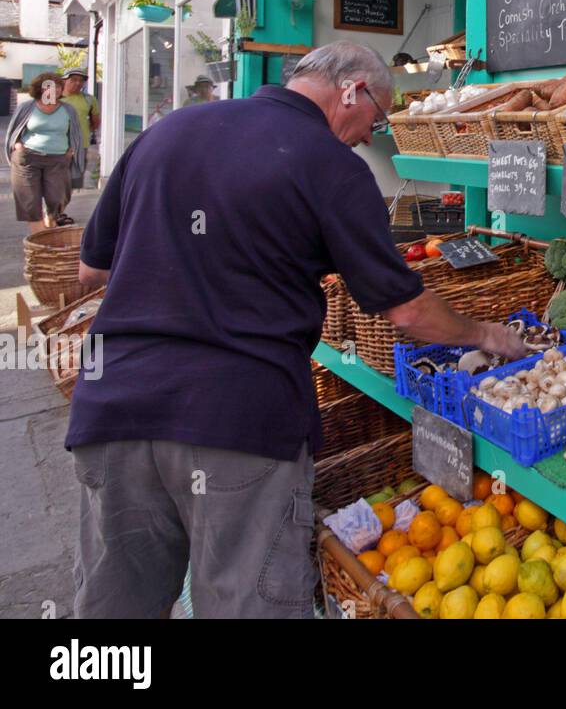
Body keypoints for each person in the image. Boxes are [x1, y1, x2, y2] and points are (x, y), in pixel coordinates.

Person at [68, 41, 527, 618]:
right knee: (246, 604)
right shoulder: (332, 167)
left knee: (112, 614)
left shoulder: (168, 132)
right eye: (377, 118)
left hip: (114, 407)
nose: (368, 135)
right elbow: (405, 311)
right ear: (351, 91)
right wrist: (485, 335)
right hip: (237, 422)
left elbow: (93, 268)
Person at [6, 72, 85, 233]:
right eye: (49, 86)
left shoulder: (68, 109)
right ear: (40, 89)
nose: (54, 90)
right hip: (27, 159)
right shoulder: (27, 107)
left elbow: (75, 132)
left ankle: (51, 219)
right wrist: (17, 145)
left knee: (57, 198)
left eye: (58, 87)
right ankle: (42, 240)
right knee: (29, 201)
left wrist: (72, 150)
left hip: (58, 160)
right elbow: (14, 131)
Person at [56, 66, 100, 222]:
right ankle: (53, 214)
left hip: (80, 147)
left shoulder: (89, 99)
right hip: (55, 148)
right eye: (73, 80)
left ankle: (56, 212)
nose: (77, 83)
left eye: (80, 81)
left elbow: (95, 122)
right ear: (64, 80)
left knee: (72, 183)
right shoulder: (55, 98)